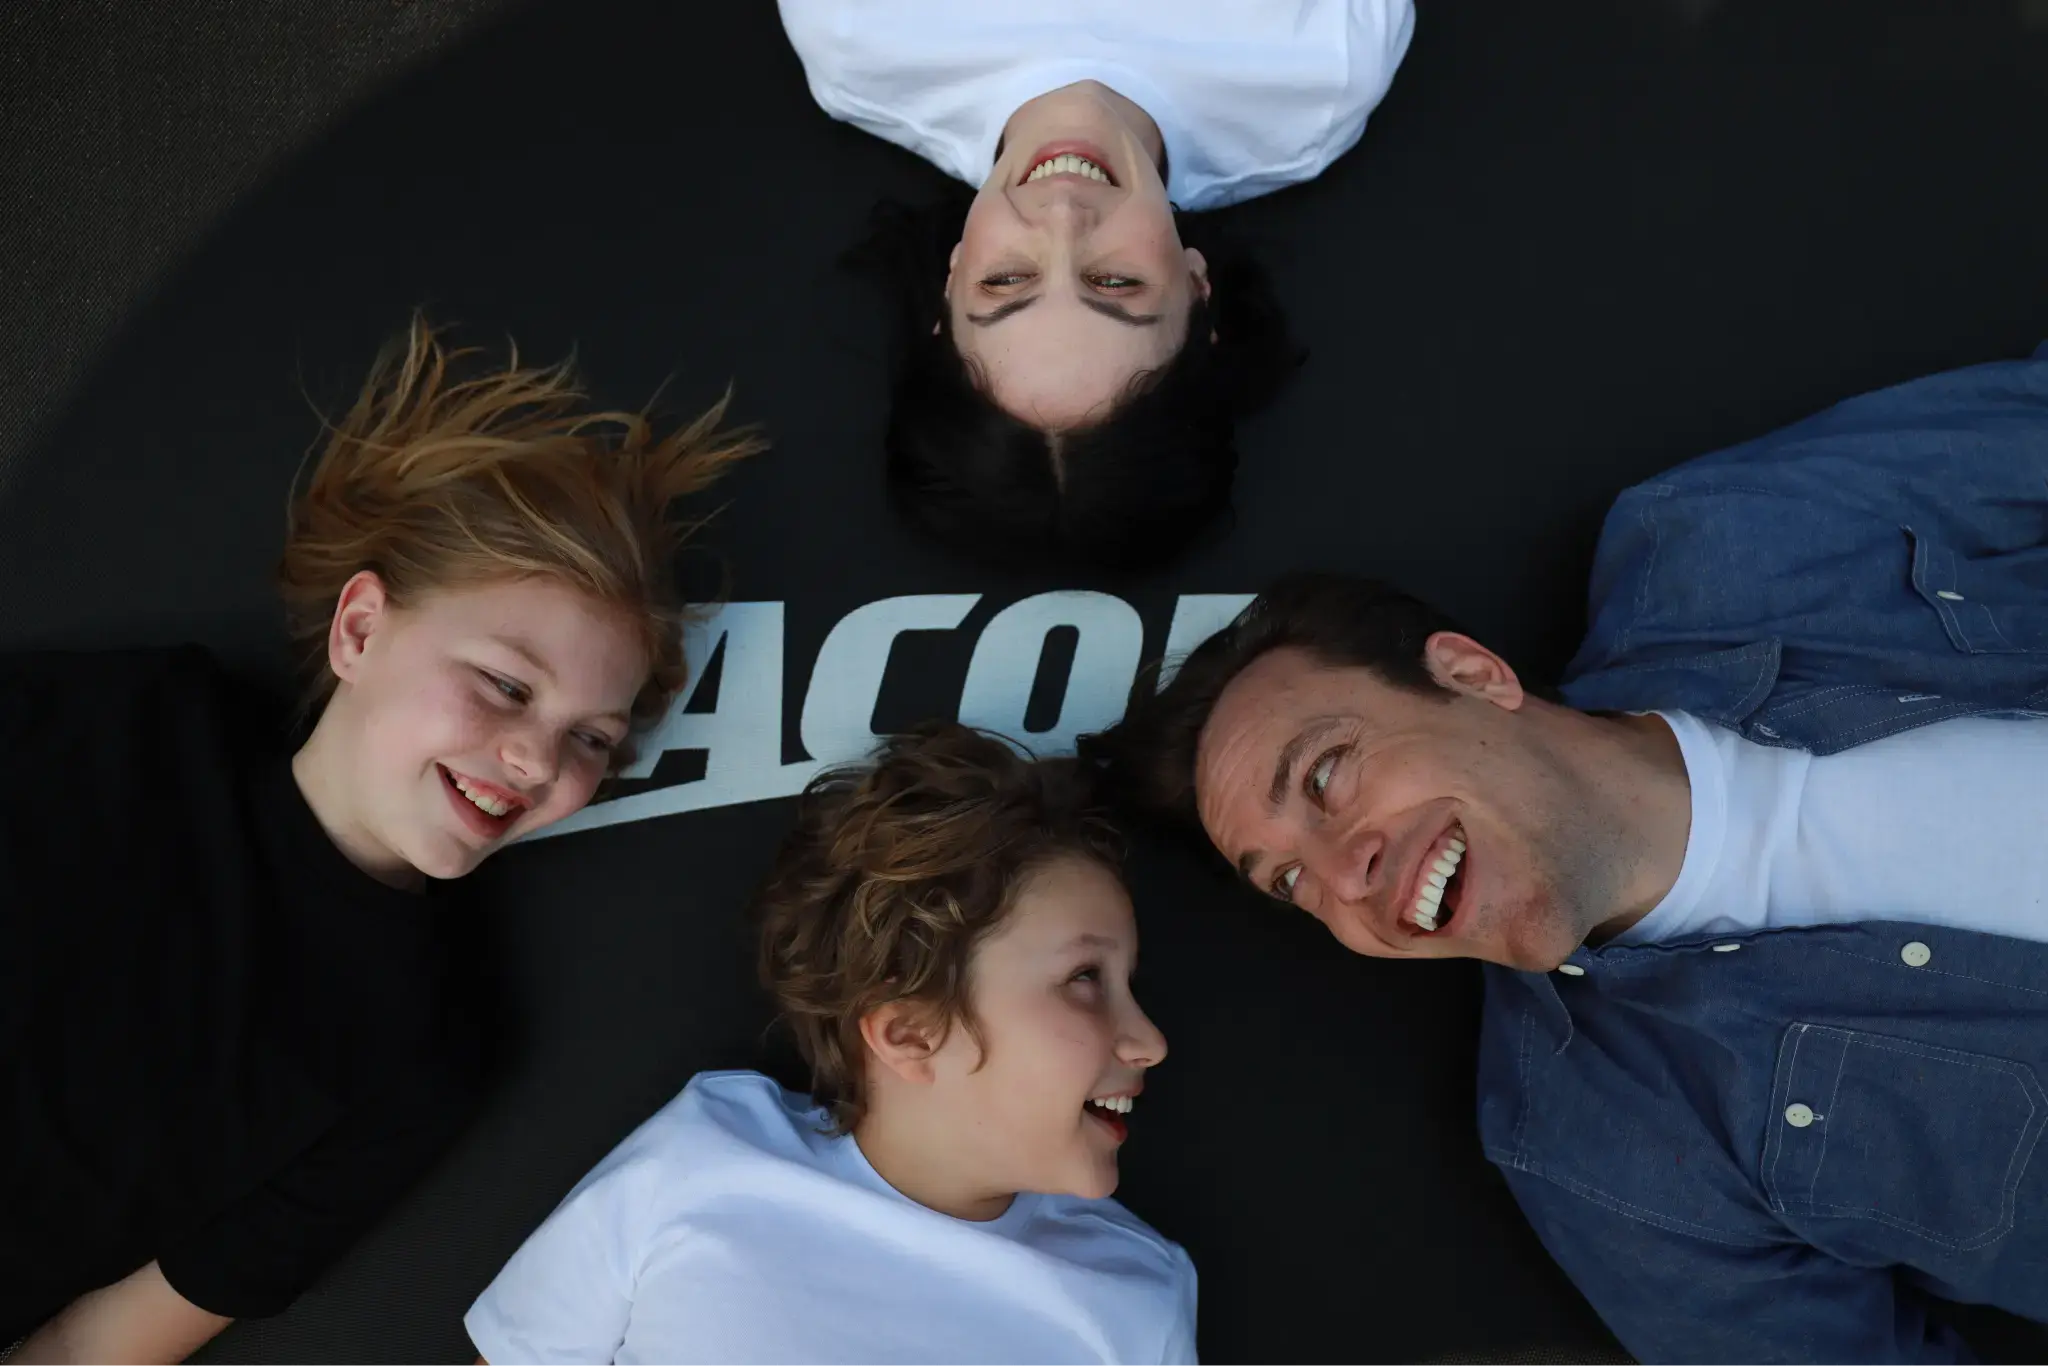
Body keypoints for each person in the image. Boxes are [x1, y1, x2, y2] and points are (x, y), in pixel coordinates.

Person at [1081, 346, 2048, 1364]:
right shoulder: (1602, 1152)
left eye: (1323, 777)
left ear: (1470, 673)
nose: (1338, 878)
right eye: (1286, 882)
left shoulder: (1736, 542)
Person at [0, 318, 762, 1364]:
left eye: (592, 737)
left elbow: (101, 1339)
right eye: (505, 685)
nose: (539, 760)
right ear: (360, 629)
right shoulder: (132, 725)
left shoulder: (427, 1048)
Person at [464, 723, 1192, 1366]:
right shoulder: (701, 1161)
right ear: (912, 1032)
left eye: (1129, 982)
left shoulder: (1135, 1296)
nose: (1151, 1040)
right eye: (1086, 978)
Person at [777, 0, 1415, 567]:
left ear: (951, 278)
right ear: (1198, 288)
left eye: (1005, 280)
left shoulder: (854, 33)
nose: (1062, 215)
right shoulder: (1318, 81)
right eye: (1114, 280)